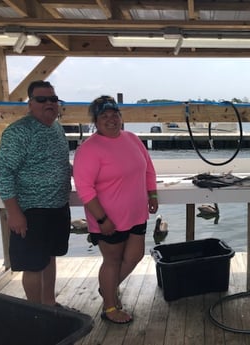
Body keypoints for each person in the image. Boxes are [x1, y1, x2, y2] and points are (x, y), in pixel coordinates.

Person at [73, 95, 158, 324]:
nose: (111, 120)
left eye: (114, 114)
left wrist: (152, 193)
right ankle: (110, 307)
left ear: (121, 117)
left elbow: (148, 168)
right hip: (108, 219)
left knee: (135, 256)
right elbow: (85, 189)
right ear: (96, 121)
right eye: (104, 116)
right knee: (112, 261)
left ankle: (107, 289)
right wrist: (102, 220)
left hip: (136, 214)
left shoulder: (132, 138)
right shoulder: (89, 149)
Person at [0, 80, 71, 306]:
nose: (49, 103)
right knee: (32, 265)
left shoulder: (56, 127)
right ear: (30, 103)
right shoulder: (18, 132)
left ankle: (49, 304)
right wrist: (14, 213)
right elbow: (3, 172)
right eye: (42, 99)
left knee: (49, 257)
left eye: (53, 99)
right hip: (31, 210)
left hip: (58, 206)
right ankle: (36, 313)